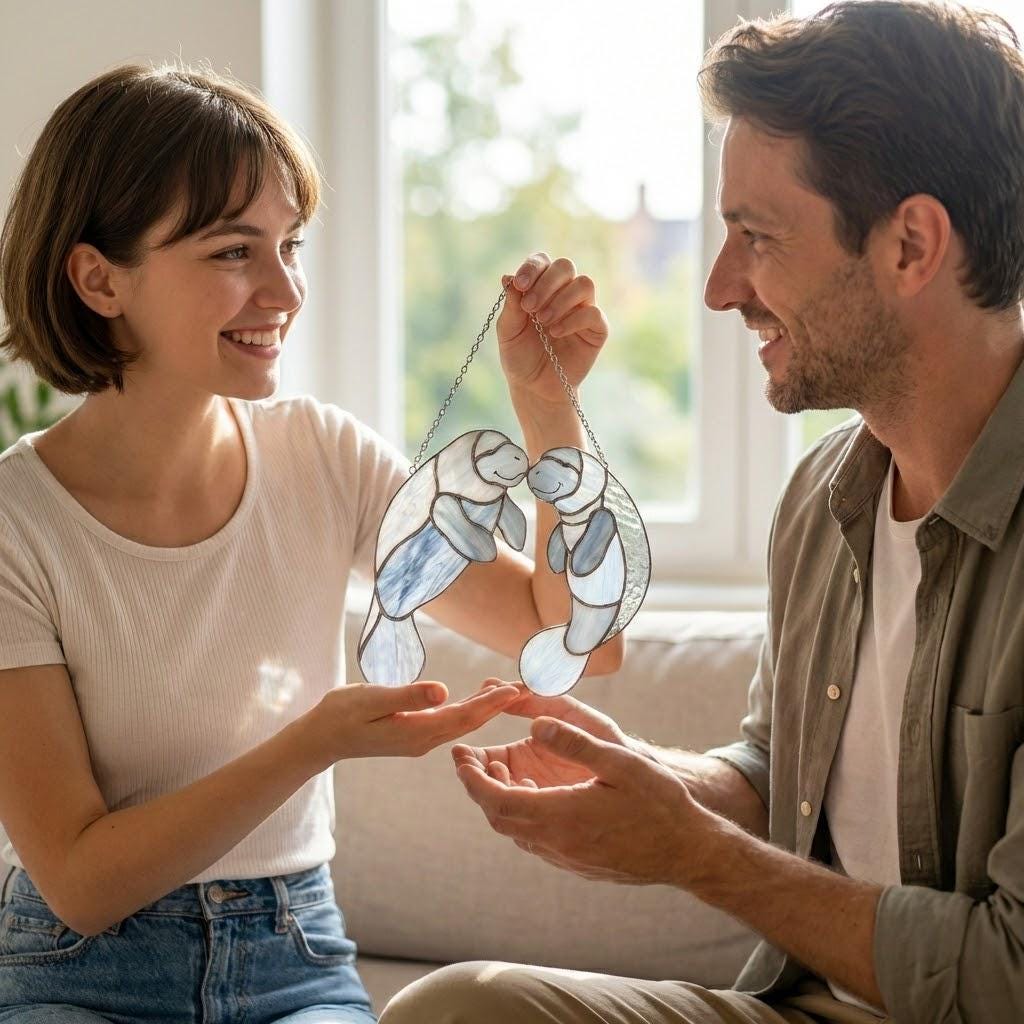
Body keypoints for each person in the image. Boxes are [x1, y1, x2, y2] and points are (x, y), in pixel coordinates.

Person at [380, 2, 1024, 1022]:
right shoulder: (824, 501)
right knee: (459, 1008)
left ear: (910, 244)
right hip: (798, 1005)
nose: (721, 289)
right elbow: (778, 771)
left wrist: (693, 853)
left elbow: (1007, 973)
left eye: (756, 237)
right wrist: (648, 782)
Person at [0, 62, 621, 1022]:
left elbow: (576, 637)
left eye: (289, 244)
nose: (285, 289)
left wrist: (547, 407)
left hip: (293, 955)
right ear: (98, 278)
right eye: (231, 252)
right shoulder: (16, 523)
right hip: (76, 973)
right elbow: (83, 882)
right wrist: (311, 743)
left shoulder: (322, 457)